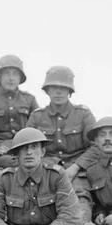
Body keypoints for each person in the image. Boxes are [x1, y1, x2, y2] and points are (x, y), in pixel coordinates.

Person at [27, 66, 96, 197]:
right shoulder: (37, 116)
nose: (58, 92)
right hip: (45, 168)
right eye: (54, 88)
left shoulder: (83, 114)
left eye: (63, 88)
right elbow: (27, 147)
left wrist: (75, 167)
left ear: (70, 91)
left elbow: (96, 146)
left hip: (78, 170)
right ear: (47, 91)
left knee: (79, 197)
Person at [0, 54, 38, 168]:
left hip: (23, 148)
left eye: (15, 74)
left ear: (20, 78)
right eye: (6, 73)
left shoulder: (29, 99)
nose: (11, 78)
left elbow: (36, 129)